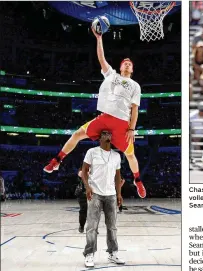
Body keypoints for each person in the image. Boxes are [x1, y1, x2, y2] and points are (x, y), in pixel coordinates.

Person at [44, 27, 146, 198]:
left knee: (130, 154)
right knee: (77, 134)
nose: (127, 64)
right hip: (105, 117)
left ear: (132, 70)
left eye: (130, 64)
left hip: (122, 122)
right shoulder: (112, 76)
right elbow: (101, 59)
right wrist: (99, 38)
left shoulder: (135, 86)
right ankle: (57, 161)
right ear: (120, 67)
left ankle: (138, 181)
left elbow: (135, 108)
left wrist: (131, 128)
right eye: (125, 62)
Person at [81, 131, 124, 268]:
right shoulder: (92, 152)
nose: (108, 136)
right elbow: (84, 171)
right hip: (95, 194)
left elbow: (118, 177)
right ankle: (89, 254)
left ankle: (113, 253)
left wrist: (119, 194)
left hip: (111, 194)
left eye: (110, 134)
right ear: (99, 138)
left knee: (112, 227)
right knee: (92, 226)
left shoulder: (117, 156)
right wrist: (87, 187)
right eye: (105, 134)